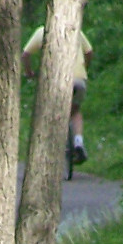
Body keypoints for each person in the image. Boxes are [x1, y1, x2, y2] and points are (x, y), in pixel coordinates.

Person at [22, 22, 93, 164]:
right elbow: (89, 52)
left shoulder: (42, 31)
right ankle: (78, 142)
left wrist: (29, 72)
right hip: (78, 79)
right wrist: (84, 68)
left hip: (56, 81)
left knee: (49, 111)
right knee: (75, 111)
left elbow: (25, 55)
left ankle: (49, 148)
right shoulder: (75, 30)